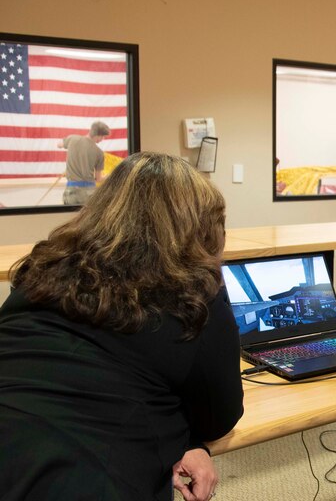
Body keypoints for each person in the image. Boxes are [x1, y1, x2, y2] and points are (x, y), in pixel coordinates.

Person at [0, 152, 244, 501]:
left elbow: (103, 379)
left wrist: (180, 438)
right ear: (204, 228)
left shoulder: (42, 271)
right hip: (83, 480)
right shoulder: (193, 297)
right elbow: (219, 418)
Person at [58, 120, 110, 205]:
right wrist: (109, 176)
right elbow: (98, 179)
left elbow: (59, 145)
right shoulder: (99, 152)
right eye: (103, 137)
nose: (102, 139)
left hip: (71, 191)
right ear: (98, 136)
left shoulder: (72, 139)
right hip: (89, 193)